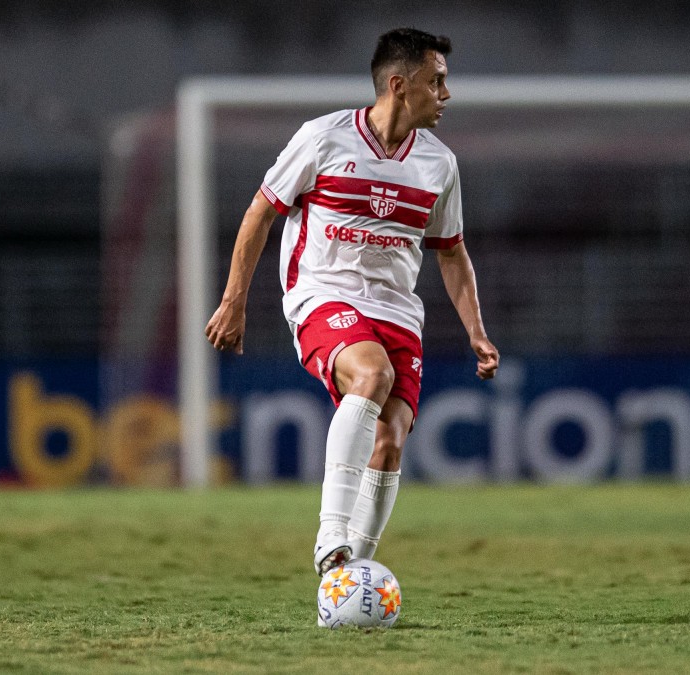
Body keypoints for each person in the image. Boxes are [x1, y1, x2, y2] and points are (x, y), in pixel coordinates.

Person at [205, 28, 499, 583]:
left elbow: (451, 252)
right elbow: (259, 213)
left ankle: (347, 578)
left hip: (398, 312)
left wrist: (476, 332)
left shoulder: (439, 164)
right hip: (323, 295)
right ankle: (330, 535)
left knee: (390, 443)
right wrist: (233, 302)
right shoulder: (322, 139)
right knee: (372, 374)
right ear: (399, 84)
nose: (446, 94)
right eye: (436, 81)